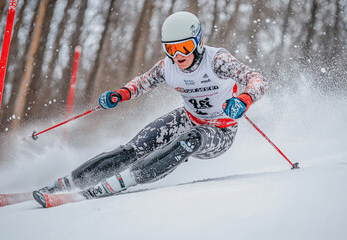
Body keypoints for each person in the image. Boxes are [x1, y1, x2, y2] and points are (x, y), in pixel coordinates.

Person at [39, 11, 268, 198]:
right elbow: (141, 83)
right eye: (170, 49)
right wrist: (121, 94)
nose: (178, 55)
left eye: (184, 47)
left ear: (197, 43)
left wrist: (244, 100)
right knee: (132, 149)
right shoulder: (167, 67)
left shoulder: (217, 60)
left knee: (190, 140)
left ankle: (123, 181)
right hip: (187, 118)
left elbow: (258, 80)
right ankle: (68, 183)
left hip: (220, 130)